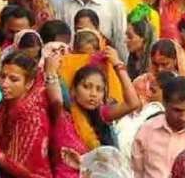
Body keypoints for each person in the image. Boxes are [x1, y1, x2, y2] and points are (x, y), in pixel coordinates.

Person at [45, 45, 141, 175]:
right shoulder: (63, 114)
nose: (93, 94)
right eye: (86, 87)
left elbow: (133, 103)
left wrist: (118, 64)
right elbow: (56, 99)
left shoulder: (101, 114)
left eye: (99, 89)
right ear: (73, 90)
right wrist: (50, 71)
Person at [0, 52, 52, 177]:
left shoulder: (32, 118)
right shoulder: (6, 103)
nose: (4, 84)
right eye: (2, 76)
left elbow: (24, 170)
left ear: (29, 83)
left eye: (14, 79)